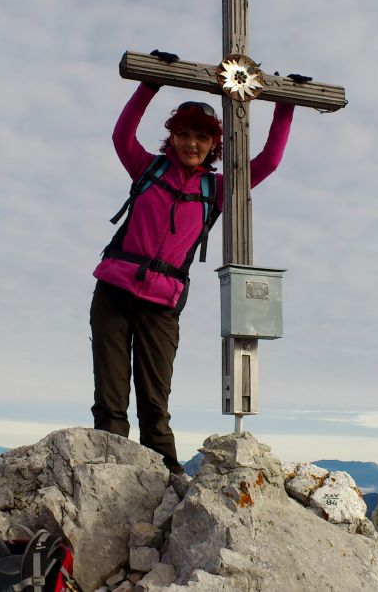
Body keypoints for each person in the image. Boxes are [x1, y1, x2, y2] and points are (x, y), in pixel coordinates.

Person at [91, 80, 294, 473]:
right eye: (183, 133)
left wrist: (284, 107)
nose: (191, 143)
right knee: (110, 399)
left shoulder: (217, 188)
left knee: (154, 403)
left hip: (162, 305)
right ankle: (109, 472)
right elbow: (122, 134)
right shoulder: (146, 166)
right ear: (172, 136)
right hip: (113, 292)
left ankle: (165, 478)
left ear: (214, 144)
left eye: (201, 136)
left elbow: (267, 162)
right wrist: (149, 85)